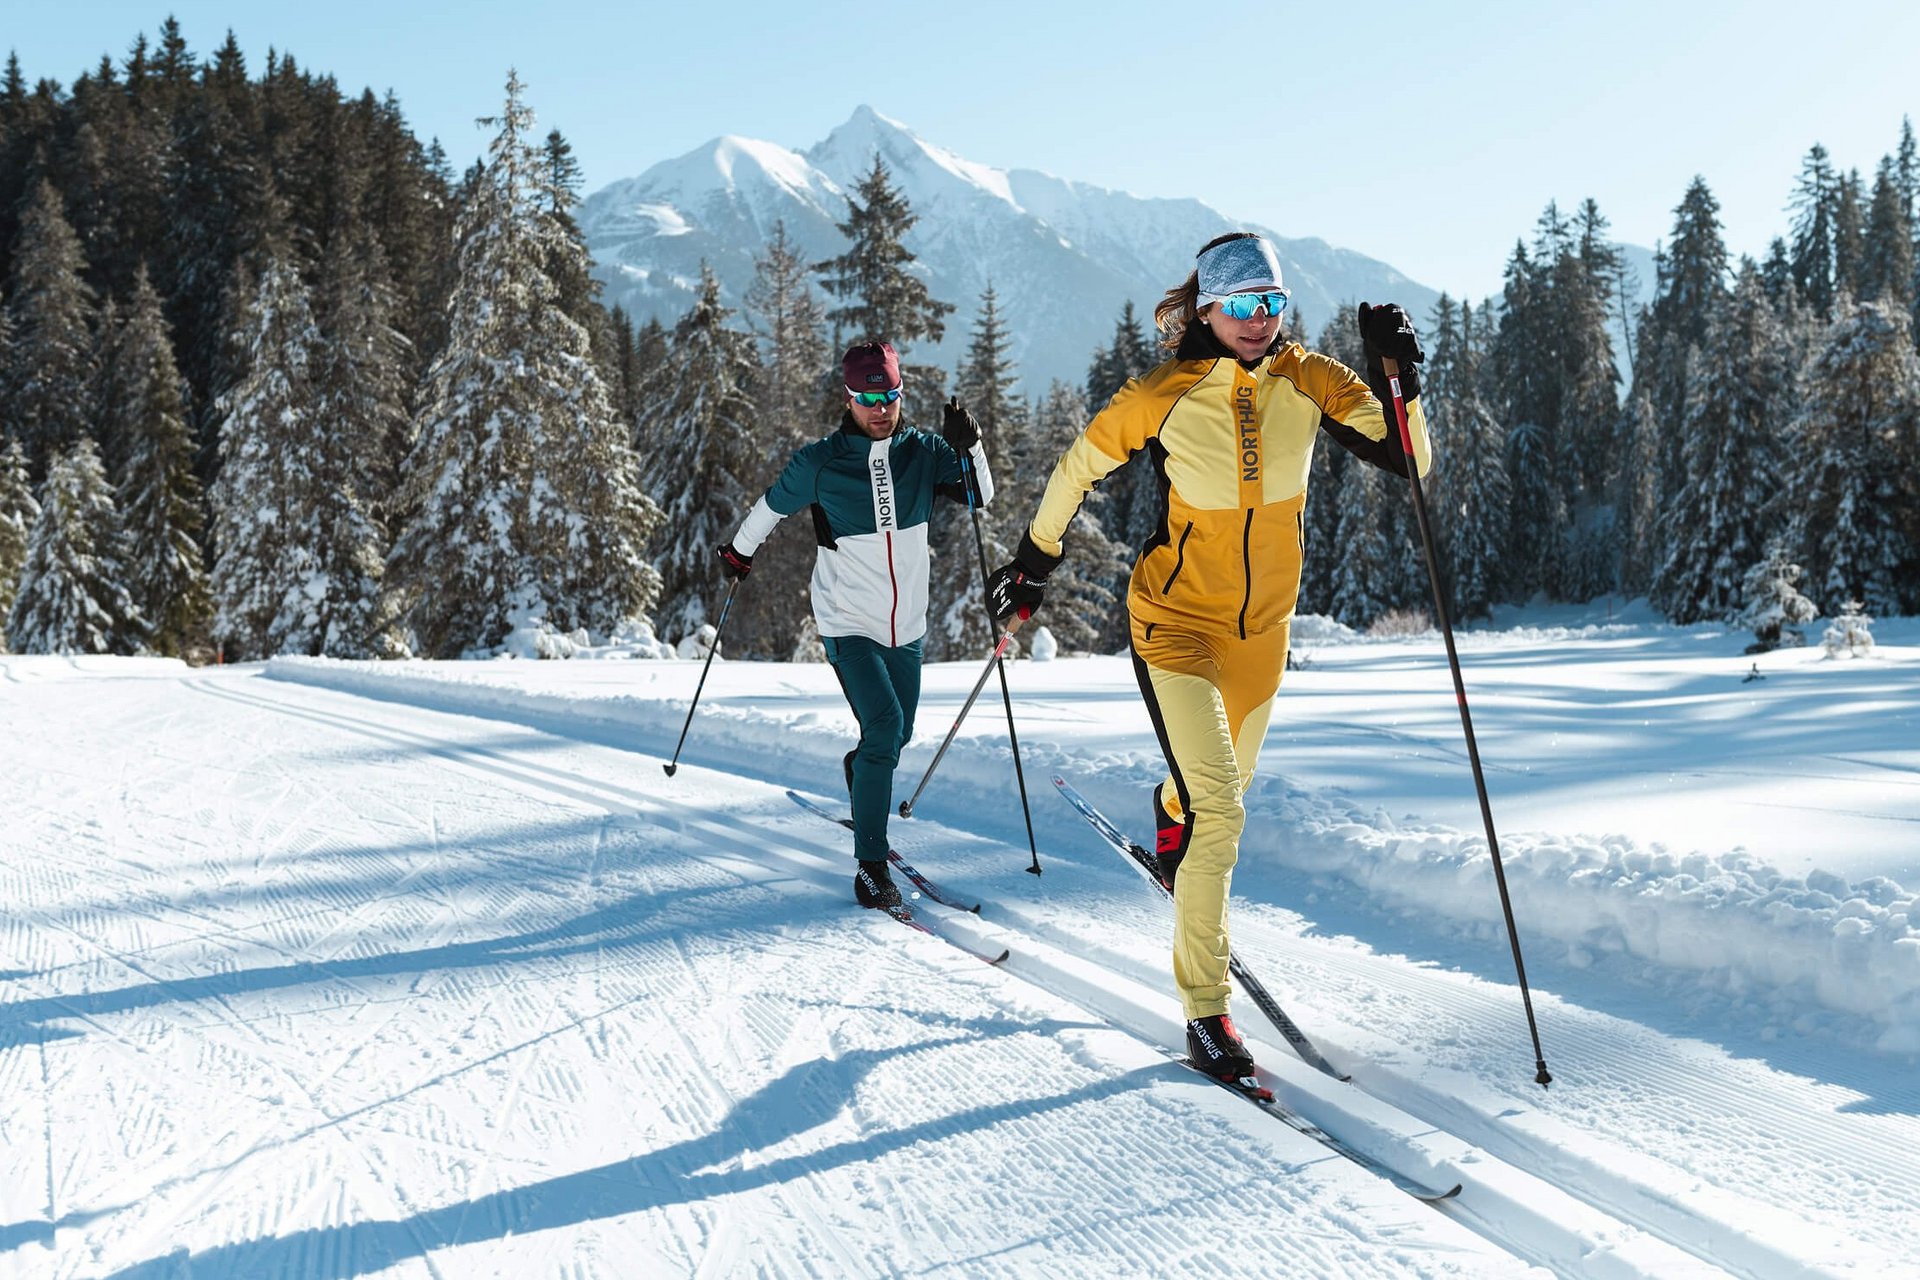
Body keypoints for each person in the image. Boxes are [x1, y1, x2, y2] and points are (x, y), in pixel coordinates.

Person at [986, 232, 1431, 1085]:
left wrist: (1402, 382)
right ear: (1207, 310)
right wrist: (1033, 563)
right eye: (1241, 307)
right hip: (1174, 627)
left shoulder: (1312, 378)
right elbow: (1080, 464)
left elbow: (1411, 461)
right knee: (1222, 813)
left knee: (1211, 794)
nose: (1260, 322)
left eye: (1273, 303)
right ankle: (1205, 1011)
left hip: (1264, 635)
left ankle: (1170, 809)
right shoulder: (1167, 390)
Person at [719, 341, 993, 917]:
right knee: (886, 724)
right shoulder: (821, 461)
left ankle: (859, 769)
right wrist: (738, 553)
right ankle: (870, 869)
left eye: (890, 395)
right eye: (869, 397)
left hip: (907, 623)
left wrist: (972, 448)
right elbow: (770, 507)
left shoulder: (923, 451)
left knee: (895, 737)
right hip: (847, 620)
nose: (881, 407)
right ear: (849, 397)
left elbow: (979, 495)